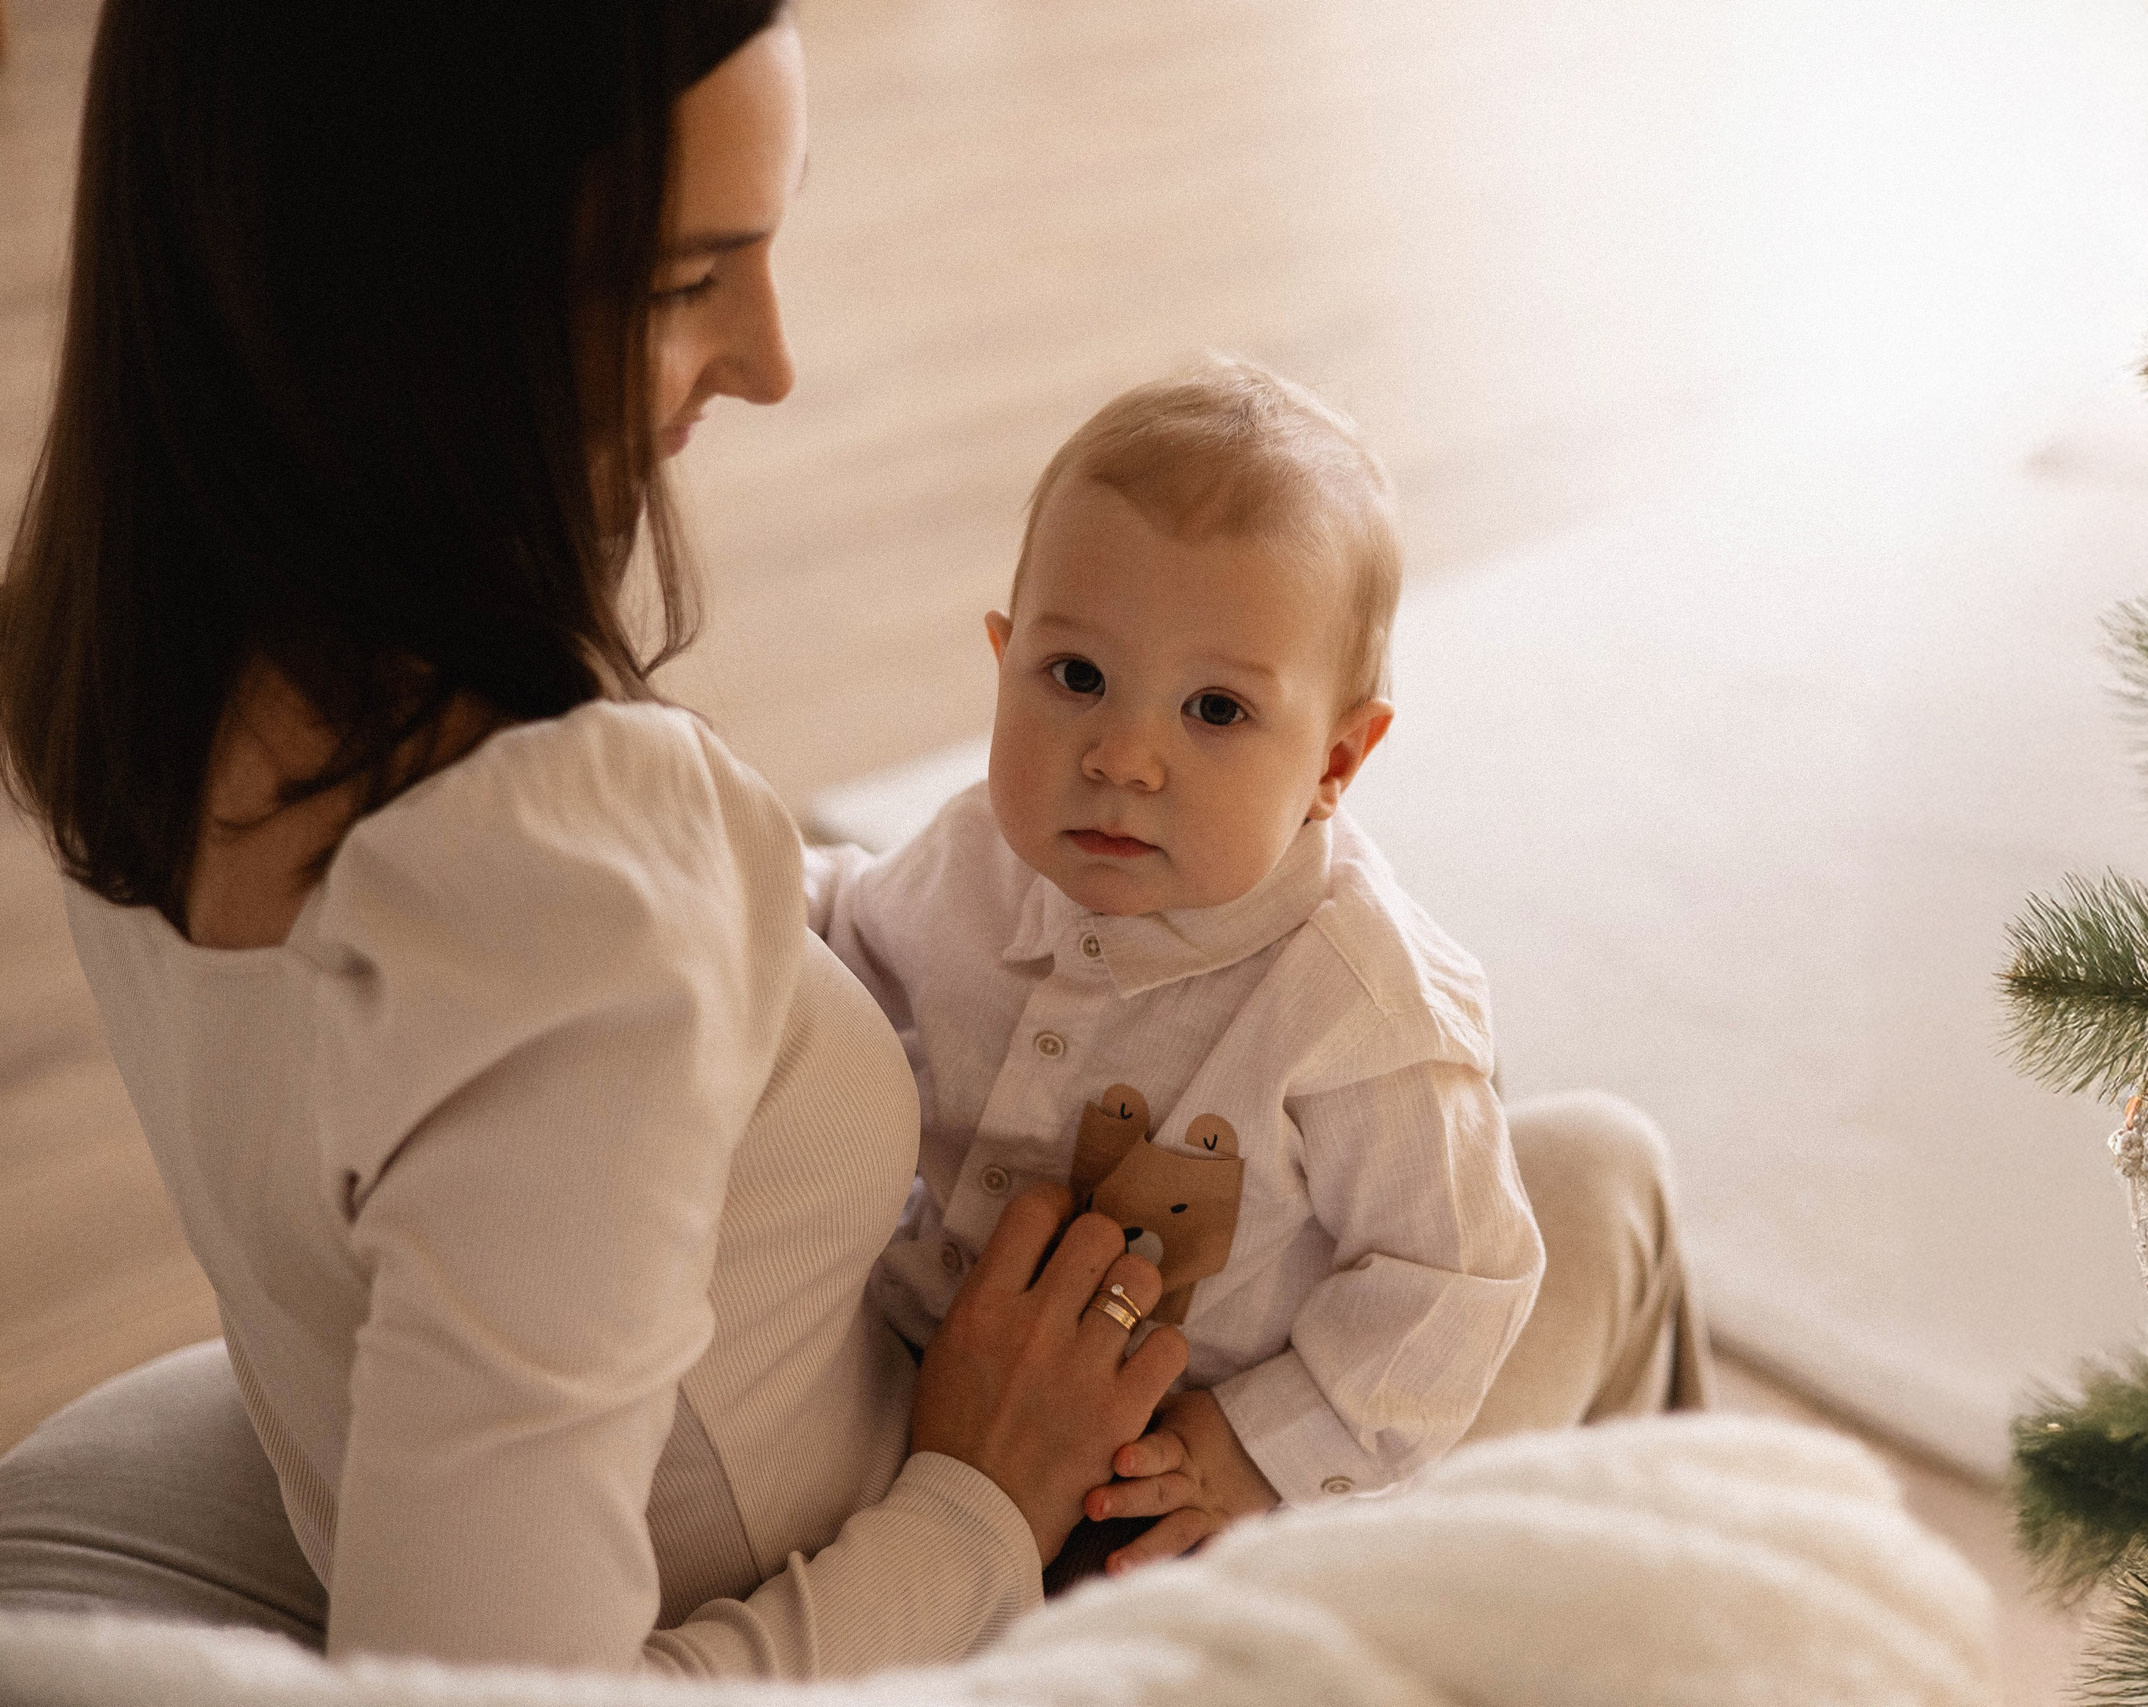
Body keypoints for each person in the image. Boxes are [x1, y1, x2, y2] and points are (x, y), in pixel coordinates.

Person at [0, 0, 1705, 1682]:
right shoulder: (562, 890)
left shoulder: (123, 640)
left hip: (736, 1440)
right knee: (1605, 1182)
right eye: (684, 279)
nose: (770, 358)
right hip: (955, 1566)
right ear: (410, 285)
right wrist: (978, 1494)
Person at [805, 361, 1543, 1582]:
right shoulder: (975, 856)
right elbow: (848, 938)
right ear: (1002, 659)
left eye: (1213, 710)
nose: (1123, 757)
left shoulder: (1361, 1008)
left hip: (1168, 1486)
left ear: (1337, 762)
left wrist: (1256, 1449)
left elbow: (1456, 1281)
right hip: (905, 1386)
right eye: (1076, 679)